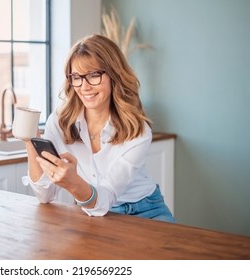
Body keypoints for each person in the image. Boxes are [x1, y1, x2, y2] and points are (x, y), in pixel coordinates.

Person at [22, 34, 175, 223]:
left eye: (94, 75)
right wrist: (30, 139)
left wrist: (74, 183)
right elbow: (44, 195)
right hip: (91, 210)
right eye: (76, 77)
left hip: (146, 210)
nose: (84, 87)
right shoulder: (60, 122)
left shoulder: (138, 131)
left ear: (113, 75)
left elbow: (106, 196)